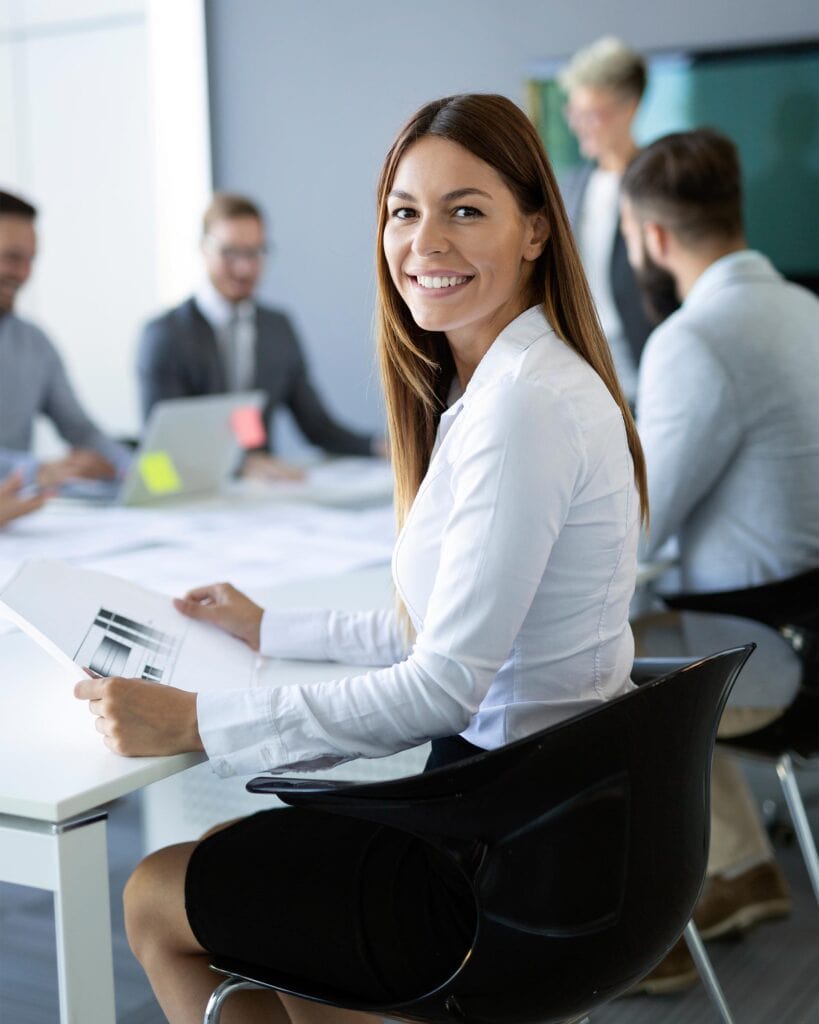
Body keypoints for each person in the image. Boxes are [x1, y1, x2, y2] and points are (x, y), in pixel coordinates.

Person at [76, 93, 647, 1023]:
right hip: (551, 816)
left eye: (466, 209)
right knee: (258, 888)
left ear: (537, 229)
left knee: (153, 894)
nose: (426, 241)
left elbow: (438, 688)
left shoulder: (522, 408)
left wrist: (197, 723)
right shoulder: (509, 384)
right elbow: (434, 628)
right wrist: (269, 627)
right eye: (404, 211)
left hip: (505, 858)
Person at [620, 128, 819, 992]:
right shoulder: (805, 308)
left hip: (768, 663)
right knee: (654, 632)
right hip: (804, 634)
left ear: (651, 238)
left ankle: (626, 927)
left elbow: (636, 524)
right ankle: (737, 867)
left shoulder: (693, 340)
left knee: (592, 646)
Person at [137, 193, 384, 481]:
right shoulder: (164, 335)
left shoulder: (276, 328)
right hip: (192, 494)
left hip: (263, 496)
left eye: (255, 252)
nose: (244, 268)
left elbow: (317, 425)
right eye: (230, 253)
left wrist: (379, 446)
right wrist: (240, 466)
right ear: (204, 249)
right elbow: (164, 447)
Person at [558, 37, 669, 403]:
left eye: (592, 114)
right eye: (573, 112)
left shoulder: (662, 180)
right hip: (580, 361)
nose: (579, 126)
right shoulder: (571, 185)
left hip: (645, 363)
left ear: (630, 107)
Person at [0, 190, 129, 488]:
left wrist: (144, 472)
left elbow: (81, 430)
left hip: (19, 519)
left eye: (31, 260)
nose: (23, 273)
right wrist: (38, 471)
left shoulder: (33, 342)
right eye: (12, 257)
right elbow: (41, 471)